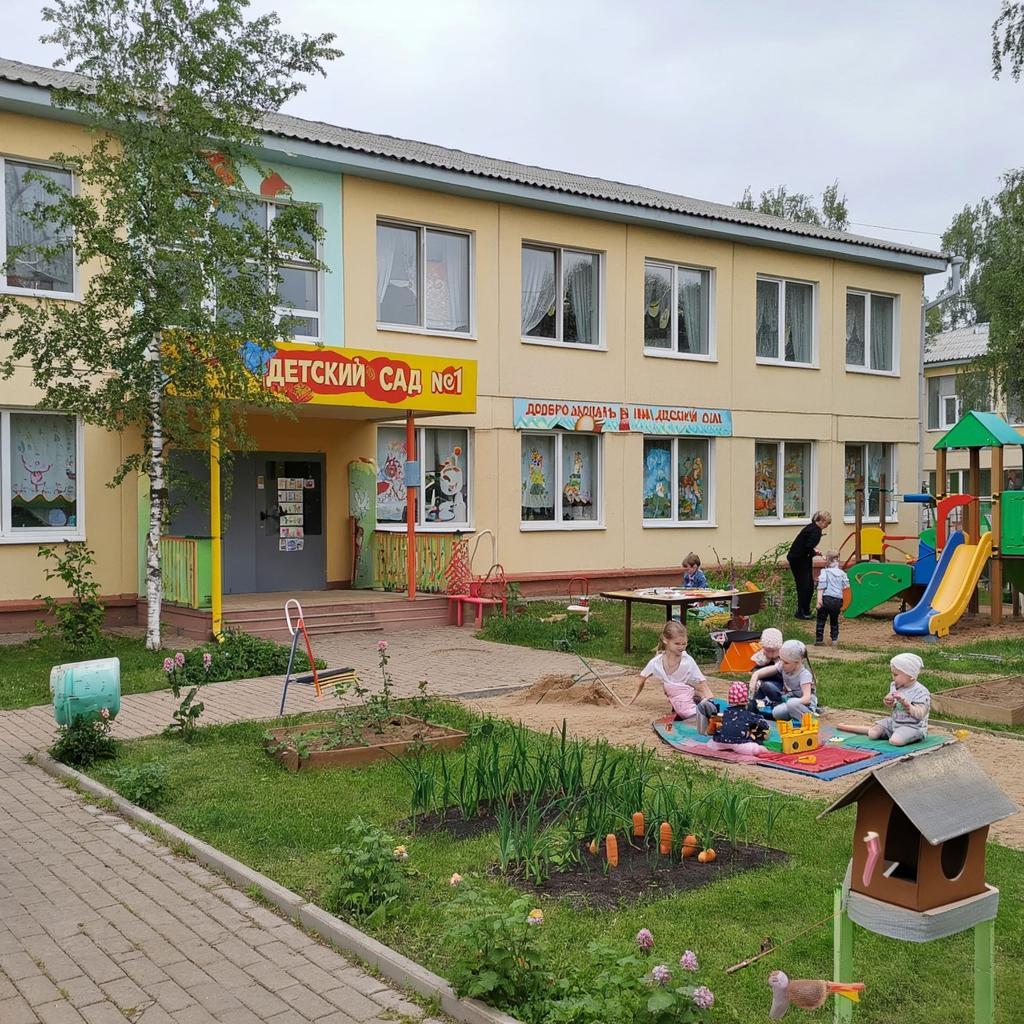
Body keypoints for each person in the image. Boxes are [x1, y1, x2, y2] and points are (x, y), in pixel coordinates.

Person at [630, 620, 718, 732]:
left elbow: (702, 683)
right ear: (665, 640)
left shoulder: (687, 661)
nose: (681, 647)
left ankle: (700, 708)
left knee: (692, 710)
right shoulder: (656, 662)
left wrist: (711, 701)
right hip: (676, 695)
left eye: (684, 644)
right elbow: (642, 678)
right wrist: (632, 699)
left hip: (686, 694)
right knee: (685, 709)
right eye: (677, 644)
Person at [840, 653, 930, 746]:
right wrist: (888, 701)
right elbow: (890, 699)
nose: (893, 677)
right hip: (894, 722)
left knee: (895, 741)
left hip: (913, 726)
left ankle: (902, 735)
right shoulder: (895, 685)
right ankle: (850, 727)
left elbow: (920, 714)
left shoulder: (921, 692)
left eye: (895, 675)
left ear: (911, 676)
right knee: (872, 734)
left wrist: (906, 704)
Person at [750, 639, 816, 722]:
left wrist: (791, 702)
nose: (782, 664)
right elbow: (765, 671)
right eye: (781, 659)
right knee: (776, 713)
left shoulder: (804, 675)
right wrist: (755, 676)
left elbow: (806, 699)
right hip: (790, 700)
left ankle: (808, 719)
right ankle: (793, 715)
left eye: (786, 662)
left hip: (805, 705)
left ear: (797, 662)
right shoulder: (783, 665)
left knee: (791, 704)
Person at [788, 511, 831, 619]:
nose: (827, 526)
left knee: (807, 584)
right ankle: (802, 611)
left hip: (798, 557)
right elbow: (808, 547)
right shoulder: (816, 531)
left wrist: (813, 551)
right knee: (805, 585)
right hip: (800, 559)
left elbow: (806, 545)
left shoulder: (811, 527)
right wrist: (815, 552)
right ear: (822, 521)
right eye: (827, 523)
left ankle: (804, 610)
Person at [707, 681, 769, 755]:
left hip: (719, 743)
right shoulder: (749, 715)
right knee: (760, 749)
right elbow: (764, 725)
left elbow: (710, 731)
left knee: (710, 743)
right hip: (741, 745)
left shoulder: (722, 715)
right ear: (747, 700)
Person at [815, 551, 850, 647]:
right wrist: (845, 604)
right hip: (838, 600)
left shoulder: (824, 572)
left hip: (826, 598)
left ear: (828, 561)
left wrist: (819, 601)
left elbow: (821, 587)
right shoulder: (843, 574)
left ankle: (819, 639)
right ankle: (834, 639)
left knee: (821, 619)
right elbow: (846, 588)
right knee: (834, 620)